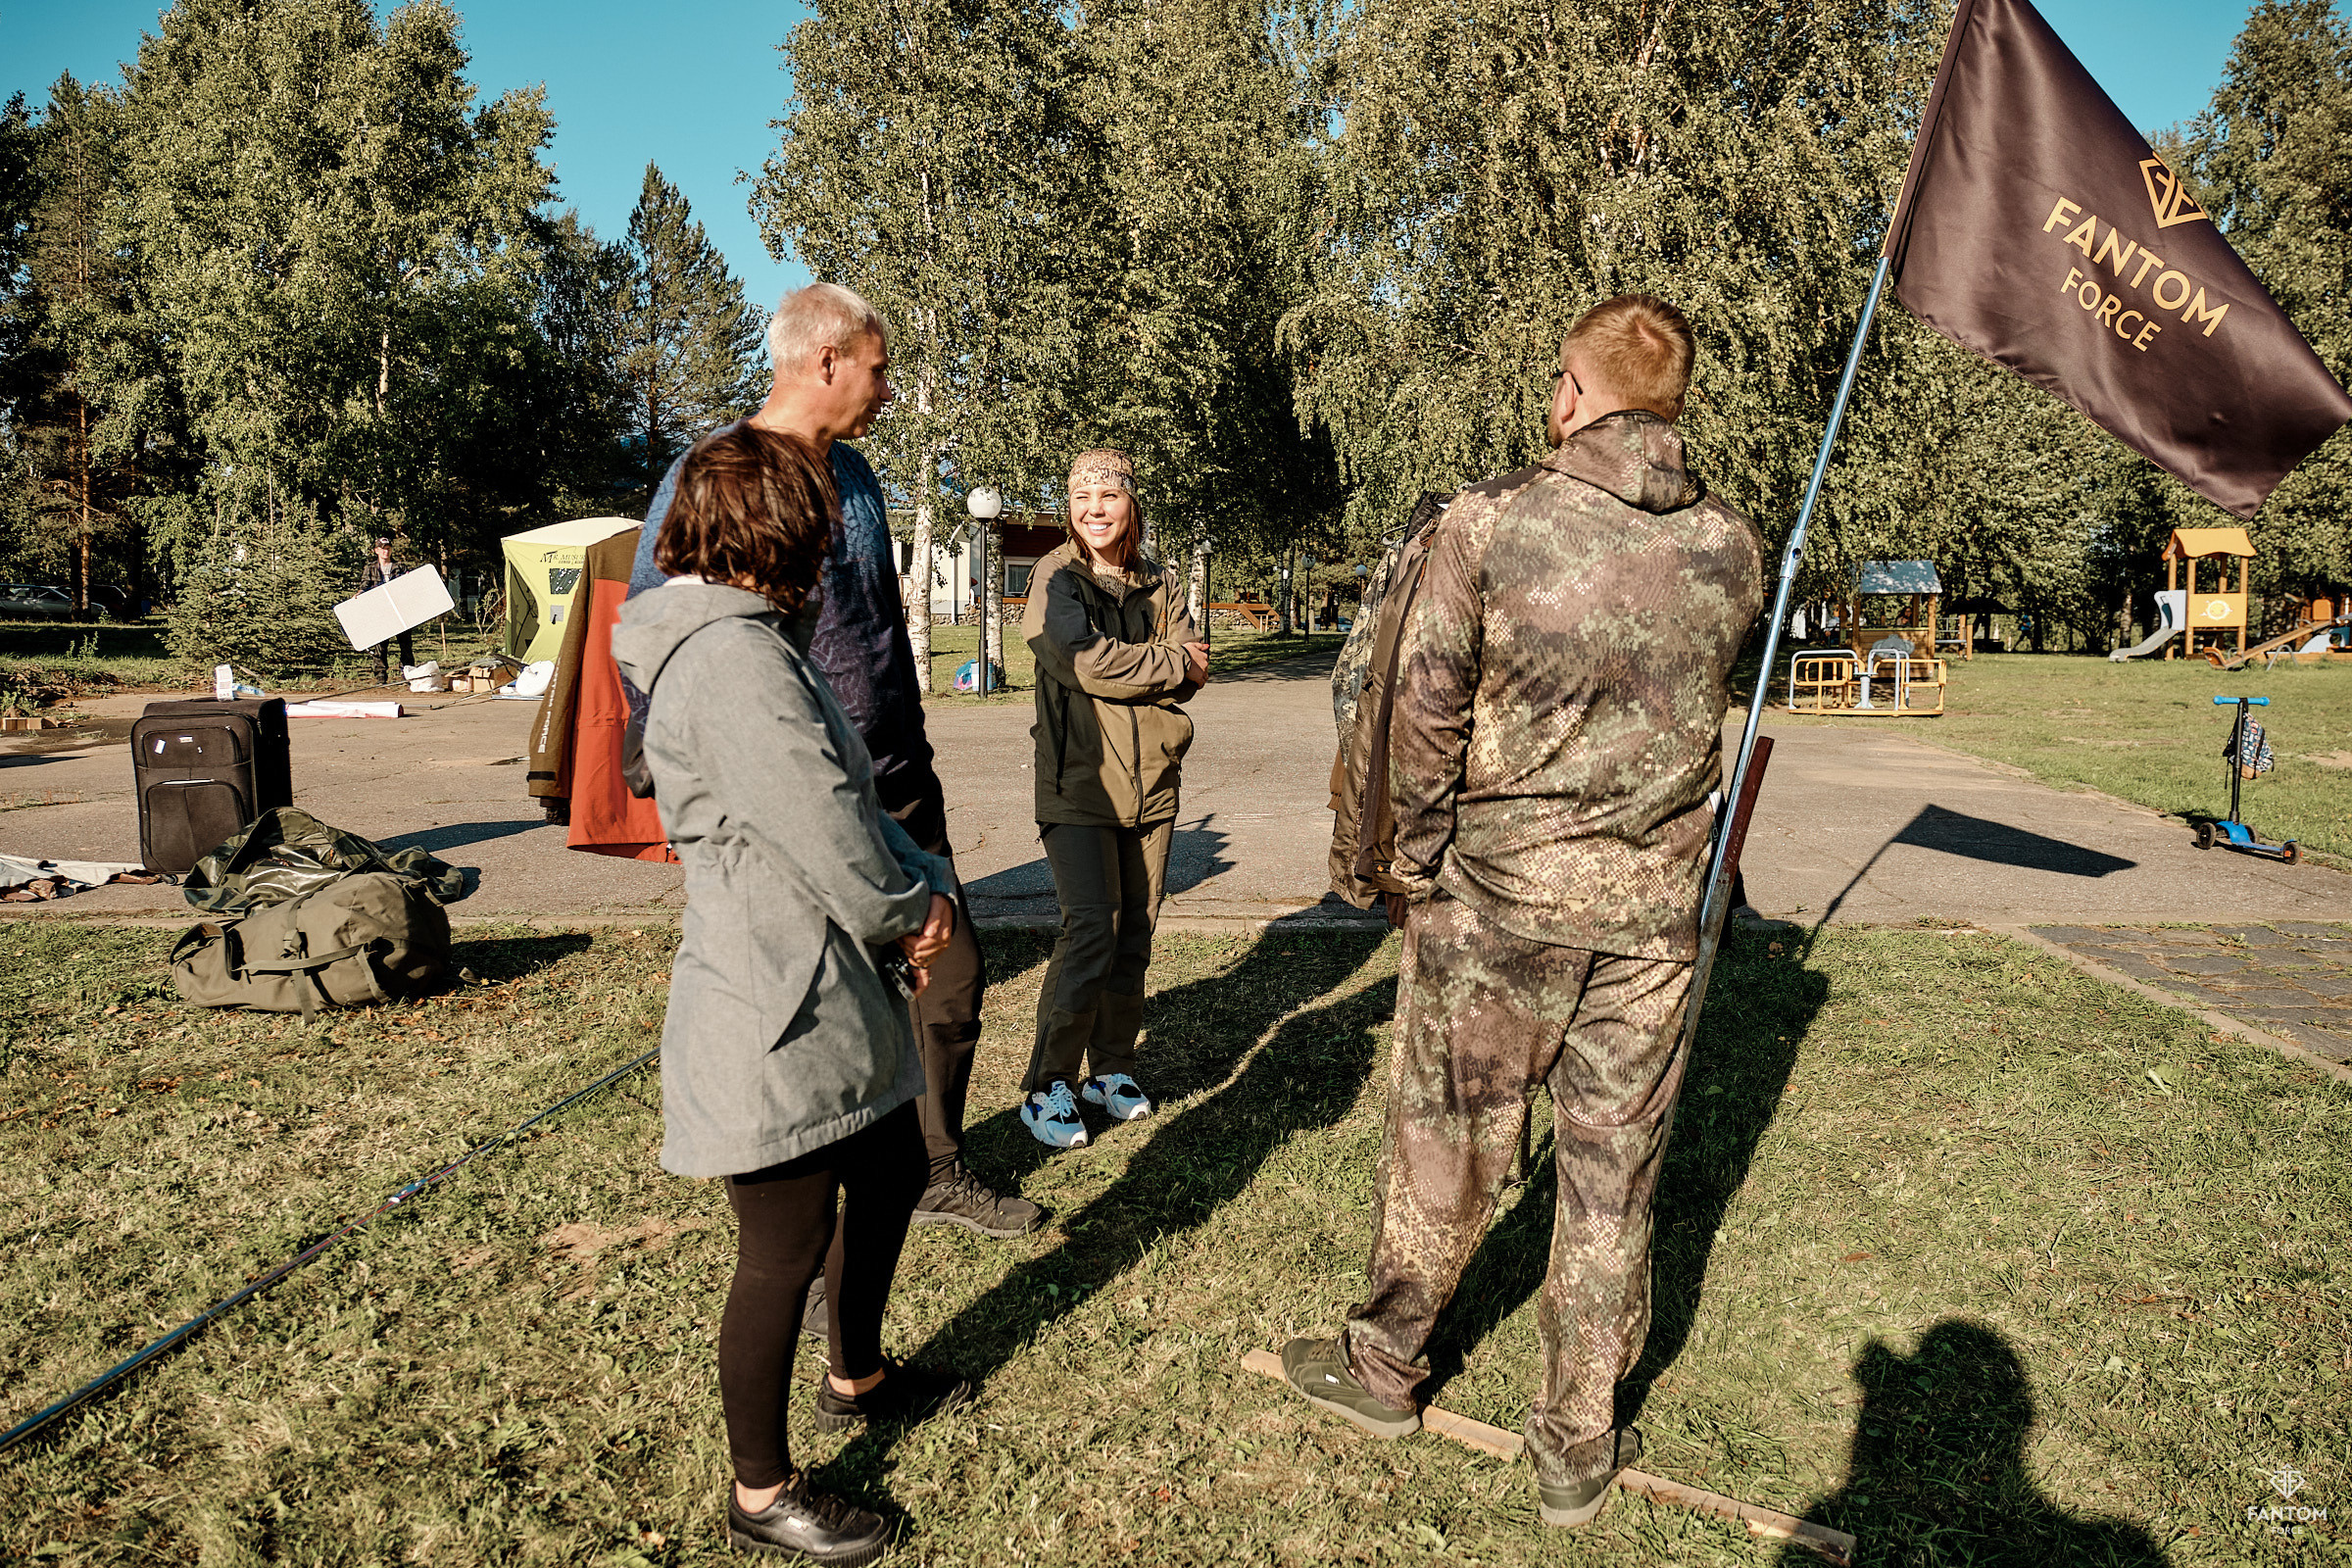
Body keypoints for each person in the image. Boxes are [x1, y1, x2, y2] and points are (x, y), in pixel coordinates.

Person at [1279, 295, 1764, 1529]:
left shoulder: (1489, 521)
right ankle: (1574, 1437)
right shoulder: (1735, 545)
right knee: (1612, 1178)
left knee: (1448, 1145)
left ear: (1576, 390)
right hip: (1655, 924)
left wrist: (1413, 864)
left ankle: (1385, 1364)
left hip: (1497, 904)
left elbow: (1425, 706)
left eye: (1557, 381)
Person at [612, 423, 972, 1565]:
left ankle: (854, 1370)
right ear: (775, 528)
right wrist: (912, 909)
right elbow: (820, 828)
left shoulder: (755, 639)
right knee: (781, 1243)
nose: (833, 544)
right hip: (773, 1000)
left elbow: (846, 803)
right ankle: (761, 1492)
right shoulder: (730, 661)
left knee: (894, 1162)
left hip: (822, 978)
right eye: (818, 523)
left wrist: (918, 882)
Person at [626, 283, 1040, 1246]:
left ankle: (935, 1170)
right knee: (819, 1021)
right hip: (795, 805)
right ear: (825, 361)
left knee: (954, 980)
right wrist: (677, 778)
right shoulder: (712, 473)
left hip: (898, 779)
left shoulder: (852, 477)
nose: (888, 387)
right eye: (879, 366)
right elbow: (658, 629)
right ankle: (806, 1251)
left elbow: (878, 635)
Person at [1014, 449, 1206, 1149]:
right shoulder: (1054, 577)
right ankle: (1049, 1085)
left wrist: (1176, 667)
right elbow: (1085, 661)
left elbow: (1194, 674)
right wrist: (1170, 663)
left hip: (1153, 781)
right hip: (1080, 783)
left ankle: (1112, 1069)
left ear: (1132, 503)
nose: (1094, 508)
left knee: (1135, 933)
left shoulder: (1159, 580)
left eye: (1109, 495)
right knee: (1090, 928)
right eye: (1081, 496)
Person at [360, 534, 415, 684]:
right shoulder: (370, 568)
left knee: (405, 644)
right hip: (381, 612)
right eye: (383, 549)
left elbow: (409, 587)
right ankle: (381, 677)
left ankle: (407, 674)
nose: (386, 552)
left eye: (388, 549)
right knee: (380, 646)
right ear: (376, 550)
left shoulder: (400, 567)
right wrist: (358, 595)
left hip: (400, 611)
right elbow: (364, 586)